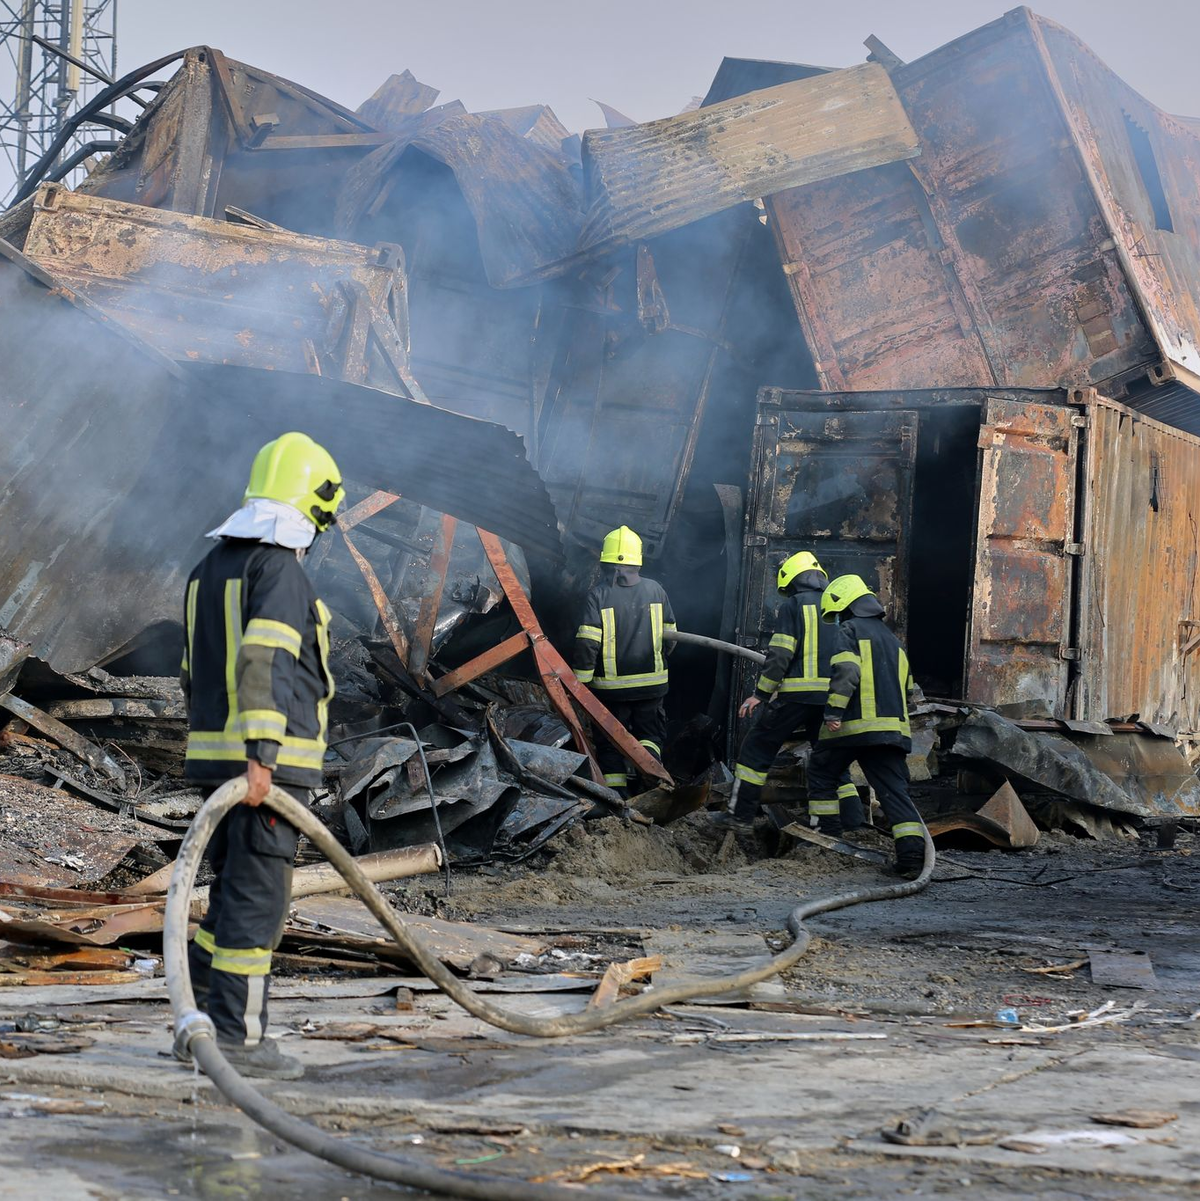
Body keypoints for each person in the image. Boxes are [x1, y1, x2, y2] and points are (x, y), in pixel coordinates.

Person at [179, 431, 344, 1080]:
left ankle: (197, 1030)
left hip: (215, 763)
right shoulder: (278, 569)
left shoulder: (207, 568)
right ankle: (241, 1041)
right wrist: (262, 758)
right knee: (256, 904)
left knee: (227, 901)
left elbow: (195, 672)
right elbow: (267, 661)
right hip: (260, 775)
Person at [722, 551, 860, 830]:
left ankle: (739, 816)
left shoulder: (795, 605)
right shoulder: (841, 607)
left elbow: (780, 654)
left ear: (793, 581)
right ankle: (850, 823)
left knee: (756, 748)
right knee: (831, 761)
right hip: (832, 701)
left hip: (797, 697)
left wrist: (760, 694)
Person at [806, 574, 926, 879]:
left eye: (837, 614)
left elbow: (847, 672)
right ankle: (912, 858)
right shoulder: (893, 641)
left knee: (821, 770)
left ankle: (826, 838)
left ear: (846, 605)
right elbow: (910, 690)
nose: (837, 620)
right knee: (894, 791)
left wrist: (834, 711)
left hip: (854, 728)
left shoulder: (850, 630)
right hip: (892, 731)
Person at [571, 525, 675, 794]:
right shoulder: (656, 590)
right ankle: (650, 785)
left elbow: (587, 643)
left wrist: (580, 684)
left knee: (610, 741)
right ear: (637, 561)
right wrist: (657, 661)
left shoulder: (599, 595)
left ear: (607, 563)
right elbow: (671, 637)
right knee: (650, 736)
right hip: (652, 687)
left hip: (611, 690)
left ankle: (618, 797)